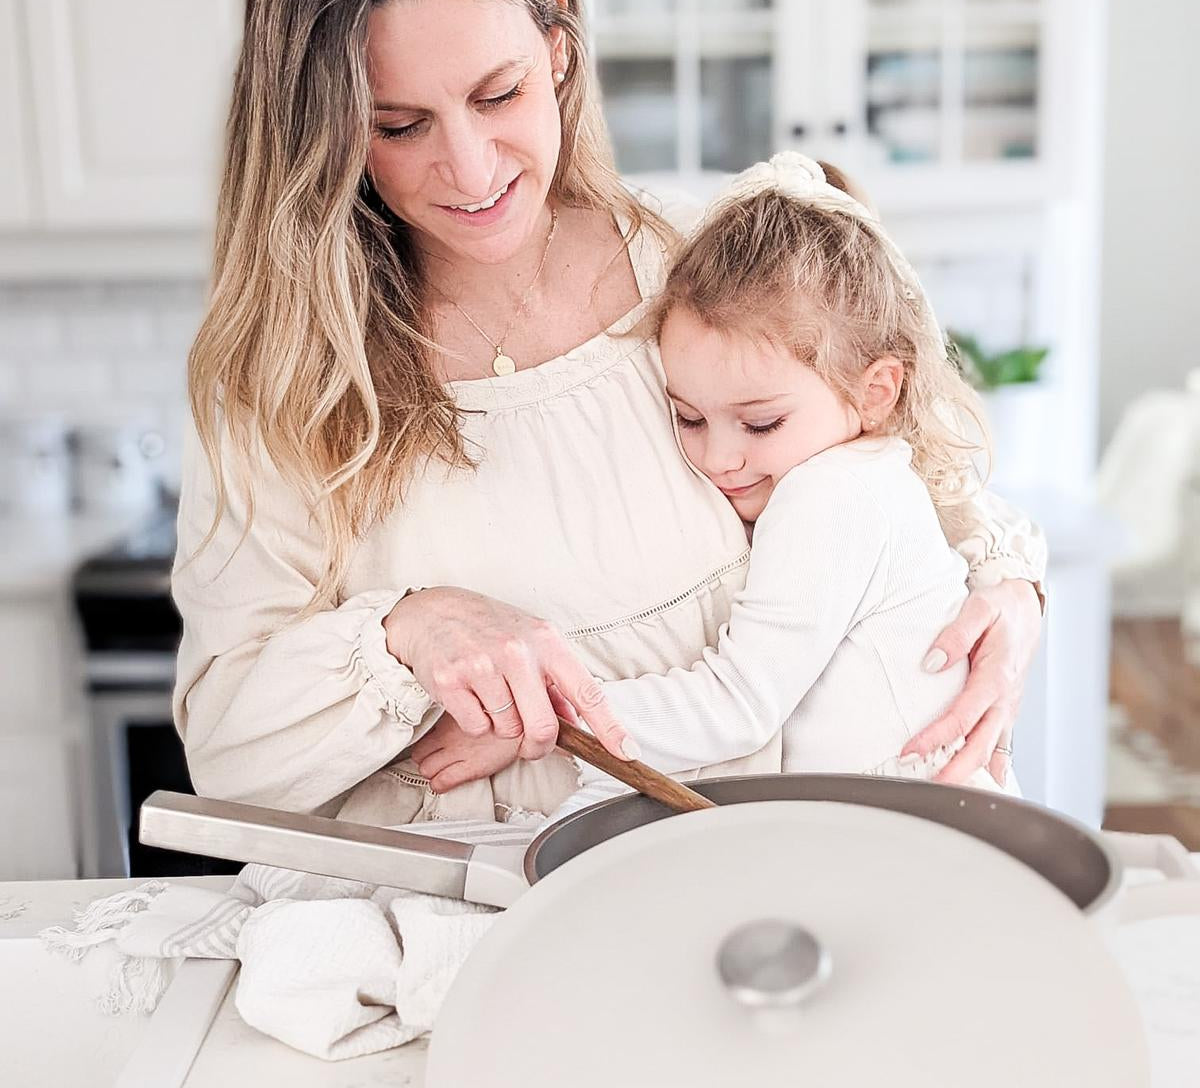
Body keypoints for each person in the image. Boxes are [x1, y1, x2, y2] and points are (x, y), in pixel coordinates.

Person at [174, 0, 1045, 829]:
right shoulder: (283, 382)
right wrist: (411, 627)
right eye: (399, 125)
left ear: (558, 45)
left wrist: (1013, 595)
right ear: (322, 129)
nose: (472, 169)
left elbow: (916, 482)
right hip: (470, 910)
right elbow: (229, 754)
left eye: (498, 94)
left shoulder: (705, 270)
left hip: (753, 889)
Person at [410, 152, 1018, 807]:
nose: (720, 457)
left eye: (760, 424)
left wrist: (547, 721)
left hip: (921, 833)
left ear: (875, 392)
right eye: (690, 417)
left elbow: (738, 706)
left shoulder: (835, 494)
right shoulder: (856, 474)